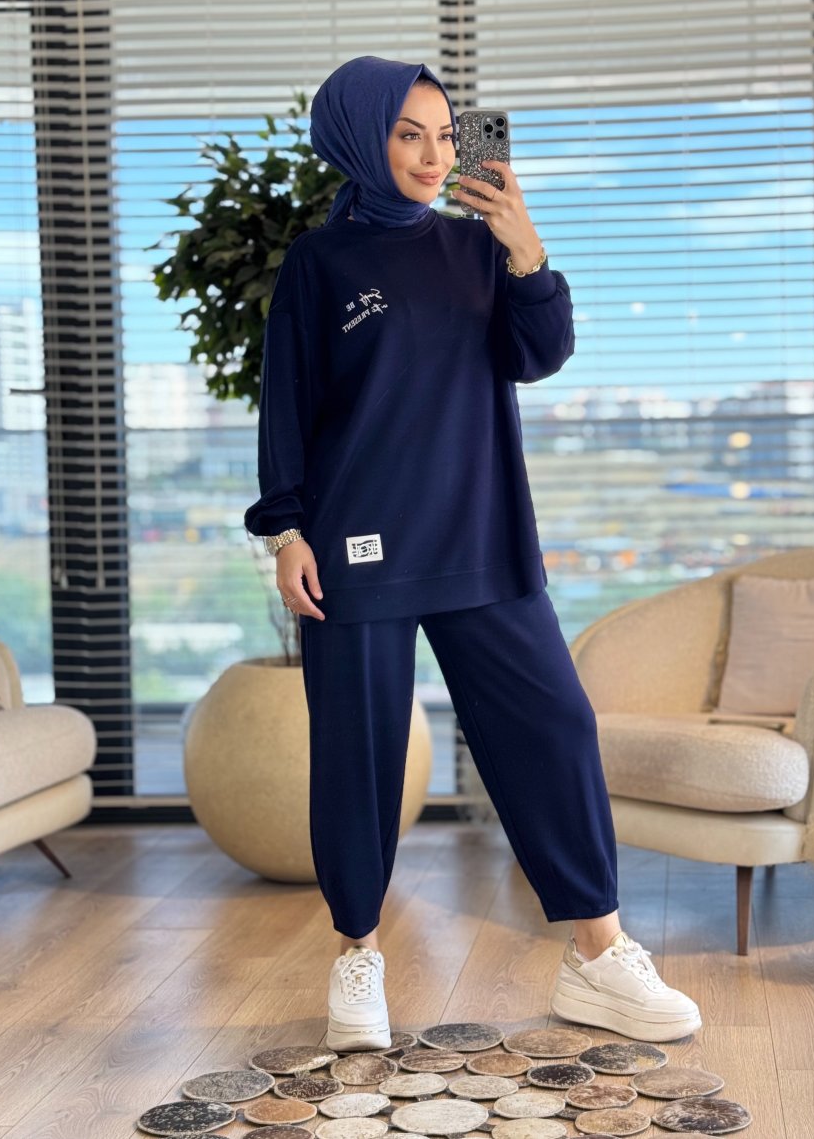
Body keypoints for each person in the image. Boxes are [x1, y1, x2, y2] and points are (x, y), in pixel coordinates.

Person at [243, 54, 702, 1051]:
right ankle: (357, 954)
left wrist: (526, 251)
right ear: (360, 138)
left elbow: (540, 356)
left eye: (447, 135)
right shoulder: (320, 265)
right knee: (358, 753)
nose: (433, 154)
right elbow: (287, 404)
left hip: (482, 534)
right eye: (409, 133)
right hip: (356, 547)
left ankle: (597, 956)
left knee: (552, 726)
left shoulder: (479, 245)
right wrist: (285, 529)